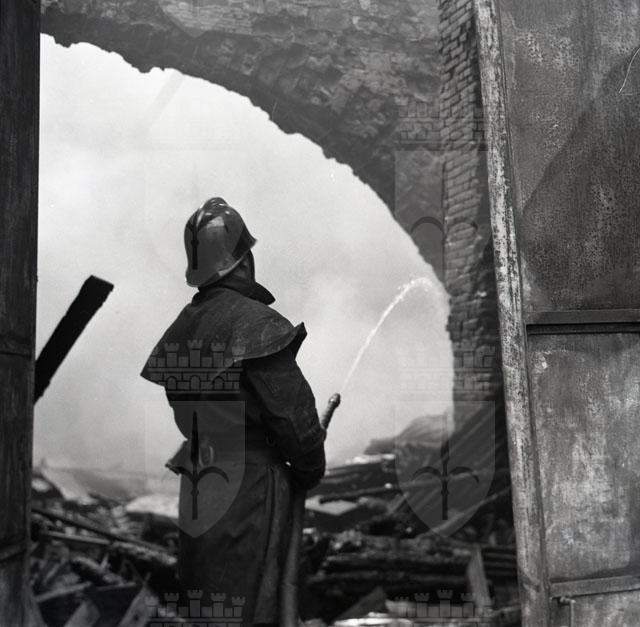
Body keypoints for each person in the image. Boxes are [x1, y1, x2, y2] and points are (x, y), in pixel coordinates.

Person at [140, 197, 326, 626]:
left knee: (209, 606)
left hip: (200, 483)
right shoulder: (255, 325)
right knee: (252, 608)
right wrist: (308, 469)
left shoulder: (184, 328)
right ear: (243, 260)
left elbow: (183, 415)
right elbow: (294, 421)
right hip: (251, 489)